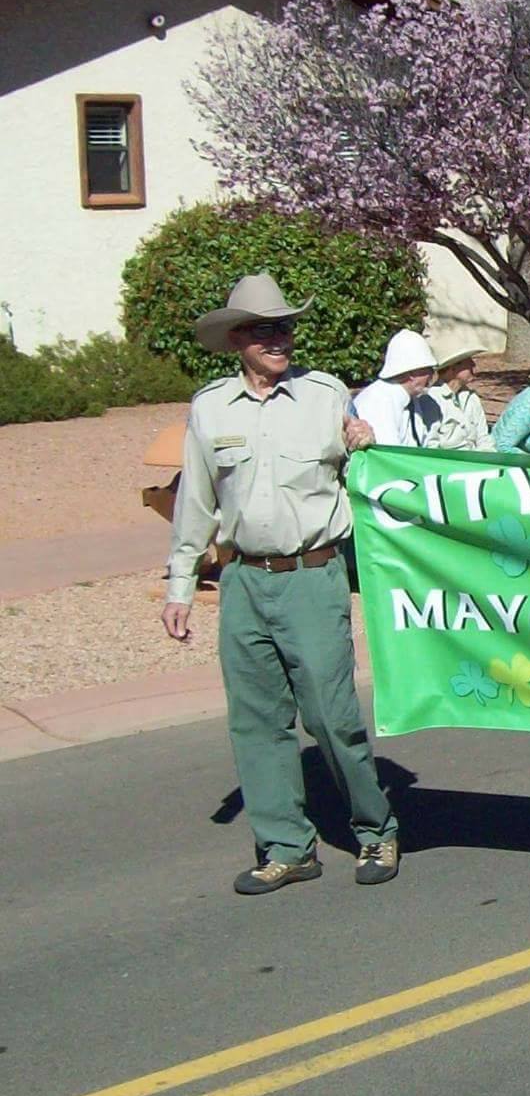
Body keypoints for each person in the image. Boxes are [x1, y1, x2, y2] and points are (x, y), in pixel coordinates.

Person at [161, 272, 399, 894]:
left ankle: (375, 829)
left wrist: (368, 444)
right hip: (243, 580)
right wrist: (180, 585)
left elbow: (375, 477)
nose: (279, 339)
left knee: (330, 714)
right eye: (265, 329)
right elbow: (196, 501)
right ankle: (288, 847)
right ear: (237, 338)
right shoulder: (210, 408)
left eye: (285, 327)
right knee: (256, 720)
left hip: (312, 576)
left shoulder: (325, 396)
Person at [352, 329, 444, 447]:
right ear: (412, 373)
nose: (431, 376)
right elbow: (388, 454)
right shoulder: (379, 400)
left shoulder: (411, 401)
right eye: (428, 370)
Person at [426, 349, 493, 451]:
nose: (473, 365)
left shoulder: (472, 398)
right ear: (453, 368)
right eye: (467, 362)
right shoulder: (432, 399)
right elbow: (430, 444)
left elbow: (483, 438)